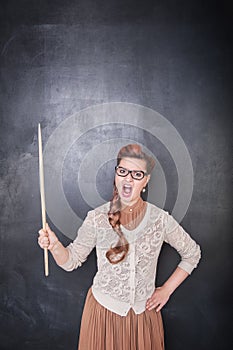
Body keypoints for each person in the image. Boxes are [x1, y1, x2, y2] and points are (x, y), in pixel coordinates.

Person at [38, 144, 201, 350]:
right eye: (123, 171)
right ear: (116, 175)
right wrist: (54, 245)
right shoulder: (97, 218)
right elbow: (70, 261)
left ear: (146, 181)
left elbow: (192, 254)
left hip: (144, 319)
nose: (128, 179)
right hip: (103, 317)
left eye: (137, 174)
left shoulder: (160, 220)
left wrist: (166, 290)